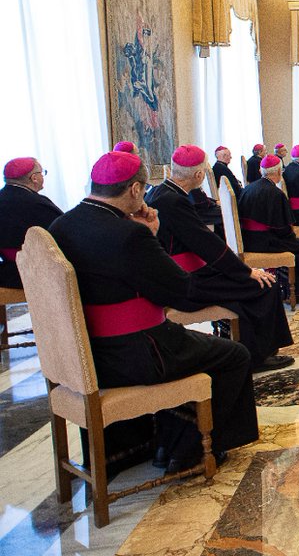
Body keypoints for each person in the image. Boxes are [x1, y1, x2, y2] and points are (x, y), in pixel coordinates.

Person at [48, 151, 259, 474]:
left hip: (84, 354)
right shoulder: (129, 233)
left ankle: (138, 448)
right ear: (134, 190)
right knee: (235, 356)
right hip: (139, 354)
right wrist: (152, 234)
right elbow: (178, 291)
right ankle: (188, 451)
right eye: (143, 191)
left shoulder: (61, 225)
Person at [147, 146, 294, 372]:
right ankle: (260, 357)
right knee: (265, 284)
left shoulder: (160, 193)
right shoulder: (174, 201)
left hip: (181, 276)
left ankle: (250, 349)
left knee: (247, 292)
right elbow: (206, 243)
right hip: (188, 282)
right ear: (198, 175)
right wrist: (246, 271)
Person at [238, 155, 299, 301]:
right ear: (278, 172)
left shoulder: (249, 188)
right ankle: (296, 292)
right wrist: (291, 237)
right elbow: (281, 228)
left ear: (261, 171)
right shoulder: (275, 193)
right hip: (266, 241)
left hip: (249, 239)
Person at [0, 157, 62, 288]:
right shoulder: (37, 203)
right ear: (34, 178)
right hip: (35, 271)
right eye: (42, 173)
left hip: (5, 271)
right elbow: (63, 232)